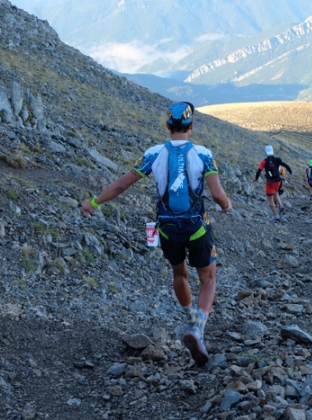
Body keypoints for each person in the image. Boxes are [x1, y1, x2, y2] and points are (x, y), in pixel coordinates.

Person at [80, 102, 232, 366]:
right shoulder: (204, 154)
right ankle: (197, 329)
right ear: (192, 126)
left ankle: (188, 316)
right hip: (197, 228)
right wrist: (227, 206)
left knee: (179, 273)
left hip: (167, 229)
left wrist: (93, 203)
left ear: (167, 126)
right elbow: (218, 194)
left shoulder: (152, 154)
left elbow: (121, 184)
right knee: (207, 279)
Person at [253, 146, 293, 221]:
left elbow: (259, 171)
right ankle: (280, 205)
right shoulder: (278, 159)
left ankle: (276, 215)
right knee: (276, 192)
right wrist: (291, 171)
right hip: (278, 181)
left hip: (270, 182)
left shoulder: (264, 161)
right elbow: (286, 165)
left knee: (270, 199)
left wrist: (256, 178)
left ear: (266, 152)